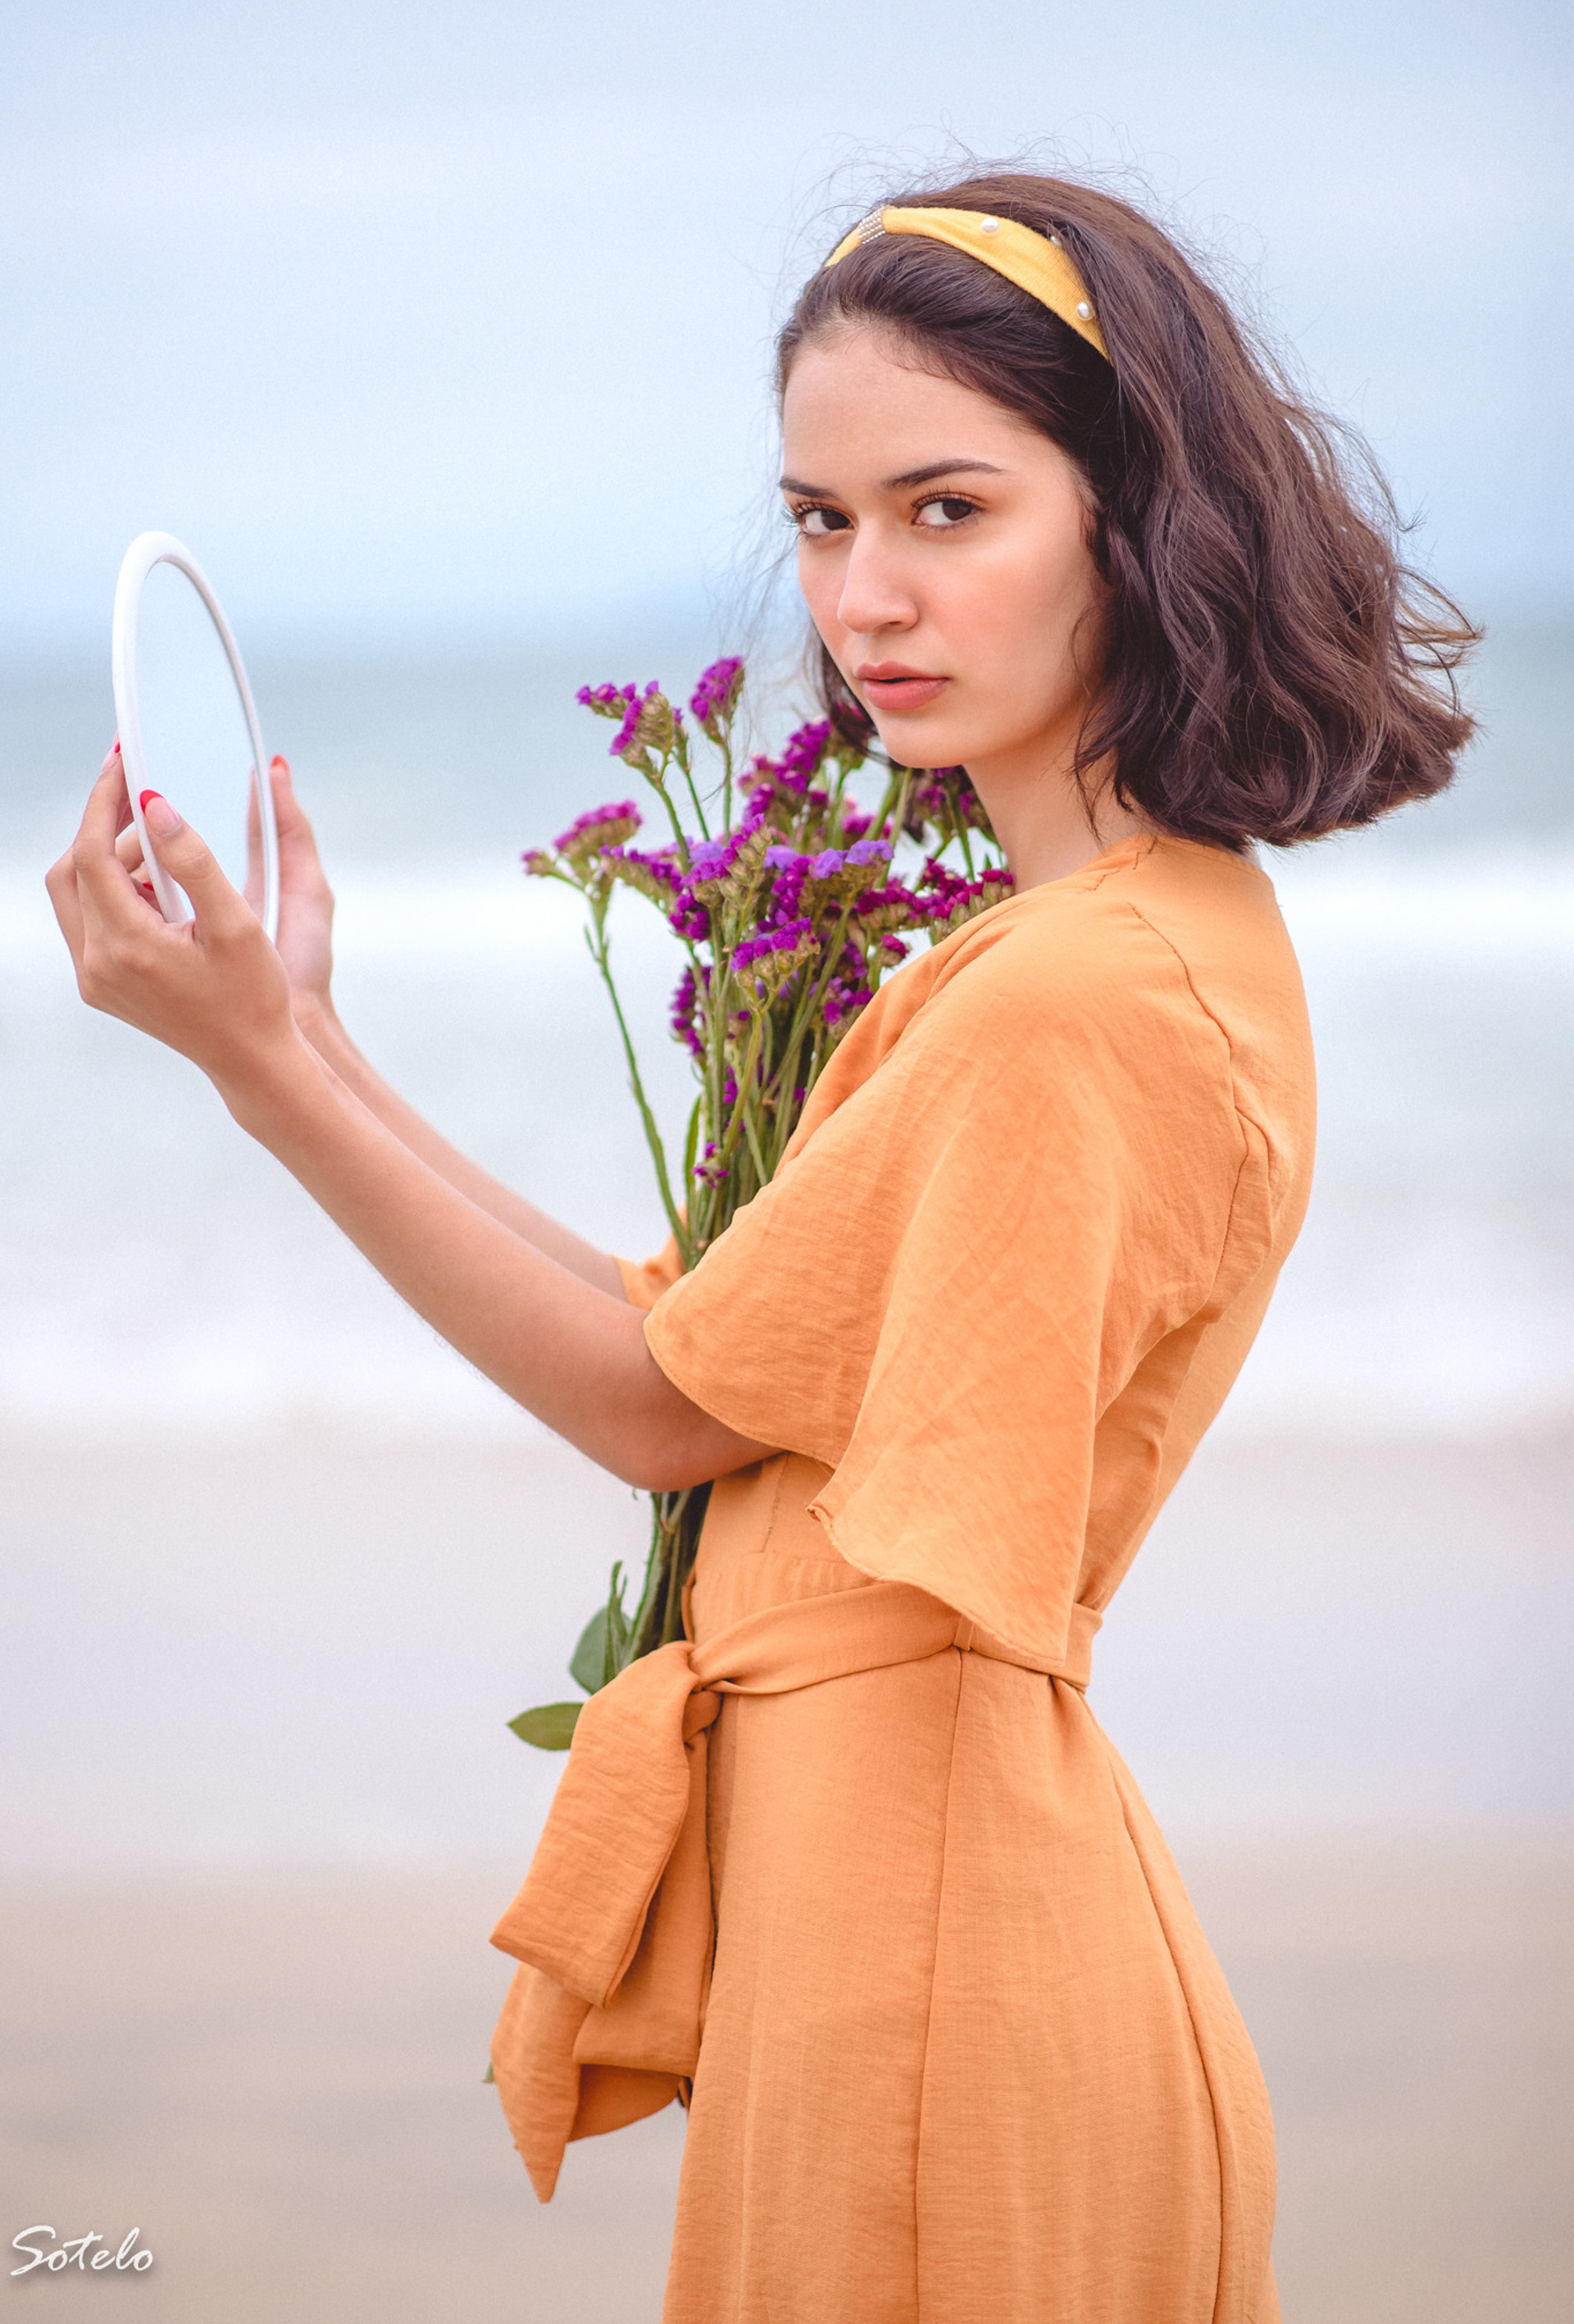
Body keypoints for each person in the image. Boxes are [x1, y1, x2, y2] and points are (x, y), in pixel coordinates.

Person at [48, 169, 1476, 2322]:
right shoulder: (1131, 934)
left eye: (947, 510)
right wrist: (310, 1040)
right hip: (937, 1926)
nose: (866, 592)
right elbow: (707, 1350)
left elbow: (656, 1410)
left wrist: (260, 1076)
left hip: (930, 1990)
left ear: (1134, 512)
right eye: (822, 520)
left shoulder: (1067, 999)